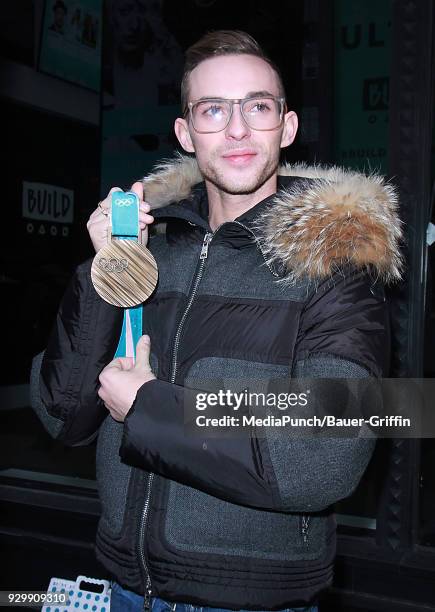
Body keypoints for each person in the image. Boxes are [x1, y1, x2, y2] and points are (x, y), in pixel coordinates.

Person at [31, 30, 403, 612]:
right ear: (185, 132)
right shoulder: (153, 248)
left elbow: (323, 459)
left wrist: (152, 408)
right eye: (213, 110)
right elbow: (61, 414)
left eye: (258, 106)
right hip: (125, 588)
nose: (236, 130)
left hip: (250, 600)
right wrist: (109, 269)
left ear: (287, 126)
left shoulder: (338, 263)